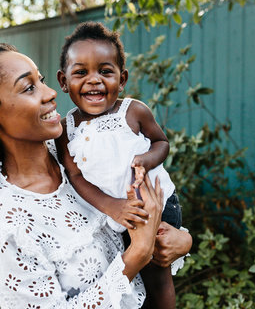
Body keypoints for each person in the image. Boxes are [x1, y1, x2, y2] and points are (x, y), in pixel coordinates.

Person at [0, 41, 191, 308]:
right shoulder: (7, 229)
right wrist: (136, 255)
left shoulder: (83, 157)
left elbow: (150, 218)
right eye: (29, 88)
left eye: (41, 80)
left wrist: (182, 241)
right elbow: (138, 247)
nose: (50, 93)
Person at [55, 22, 191, 308]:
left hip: (153, 206)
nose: (94, 80)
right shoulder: (66, 129)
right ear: (63, 81)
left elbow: (161, 143)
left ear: (122, 78)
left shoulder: (133, 112)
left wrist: (145, 159)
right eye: (81, 72)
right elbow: (75, 176)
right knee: (127, 281)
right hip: (111, 214)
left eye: (105, 71)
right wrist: (112, 206)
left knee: (157, 279)